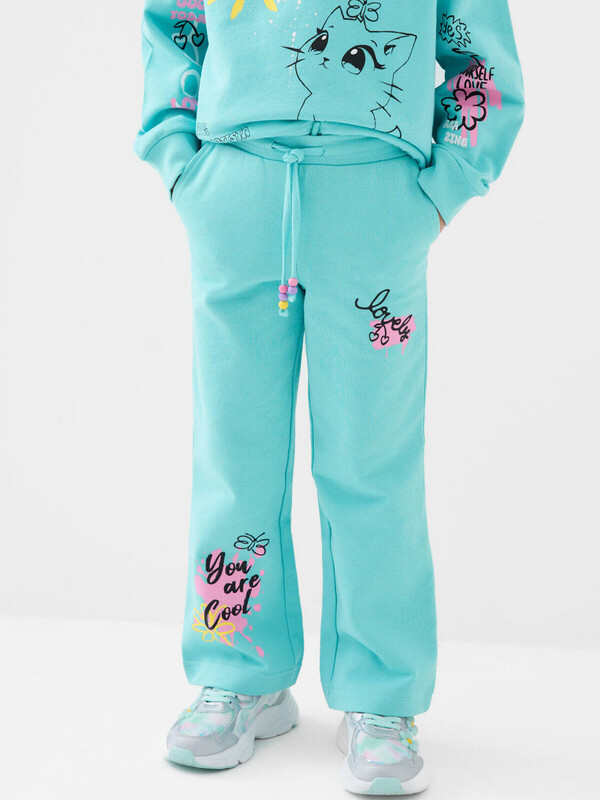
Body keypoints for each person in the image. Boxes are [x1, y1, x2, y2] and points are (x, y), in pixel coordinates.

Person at [135, 0, 524, 793]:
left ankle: (382, 695)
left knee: (372, 463)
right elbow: (173, 24)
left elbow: (481, 61)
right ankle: (237, 669)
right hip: (235, 191)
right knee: (235, 458)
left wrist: (441, 189)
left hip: (376, 201)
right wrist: (180, 161)